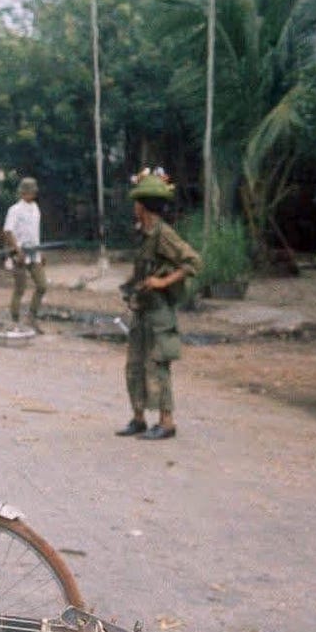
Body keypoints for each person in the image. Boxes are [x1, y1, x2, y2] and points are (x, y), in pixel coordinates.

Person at [116, 169, 199, 440]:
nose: (134, 208)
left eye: (136, 204)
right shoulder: (146, 234)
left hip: (159, 312)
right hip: (142, 309)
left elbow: (193, 262)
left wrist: (163, 283)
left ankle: (166, 422)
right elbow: (144, 268)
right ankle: (138, 418)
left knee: (157, 366)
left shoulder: (164, 234)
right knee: (135, 365)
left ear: (142, 206)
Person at [2, 176, 46, 330]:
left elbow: (35, 232)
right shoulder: (15, 210)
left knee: (42, 285)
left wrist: (40, 251)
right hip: (19, 253)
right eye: (28, 192)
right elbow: (8, 231)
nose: (31, 194)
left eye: (33, 192)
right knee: (20, 288)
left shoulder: (36, 208)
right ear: (23, 193)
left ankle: (32, 317)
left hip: (34, 253)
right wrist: (17, 250)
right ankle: (14, 319)